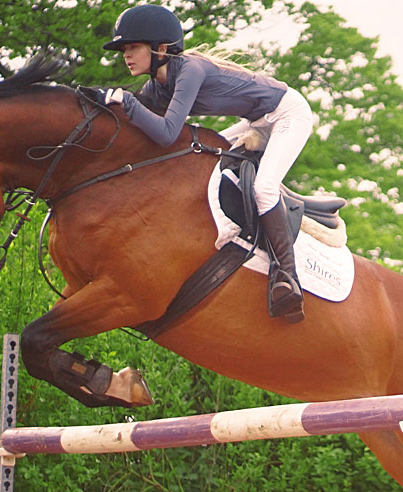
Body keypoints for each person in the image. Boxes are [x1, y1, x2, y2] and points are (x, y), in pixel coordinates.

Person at [100, 4, 312, 324]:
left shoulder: (189, 70)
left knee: (264, 187)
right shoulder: (157, 85)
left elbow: (168, 132)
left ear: (160, 48)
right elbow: (136, 124)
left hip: (287, 114)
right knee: (198, 159)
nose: (125, 55)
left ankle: (286, 276)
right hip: (255, 122)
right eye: (124, 49)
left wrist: (127, 102)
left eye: (132, 47)